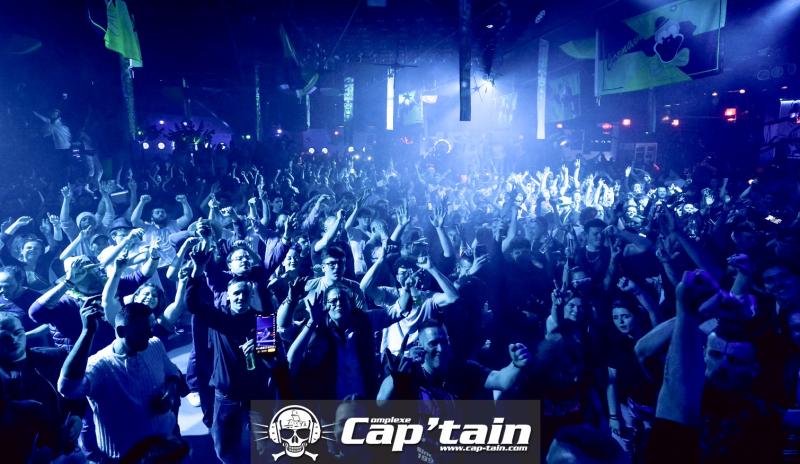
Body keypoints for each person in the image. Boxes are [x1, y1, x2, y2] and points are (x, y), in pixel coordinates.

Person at [58, 300, 183, 461]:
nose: (151, 334)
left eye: (151, 328)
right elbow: (67, 388)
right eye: (144, 330)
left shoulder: (154, 344)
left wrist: (170, 394)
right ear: (122, 331)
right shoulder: (99, 366)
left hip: (165, 442)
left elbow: (172, 373)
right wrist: (87, 332)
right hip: (126, 455)